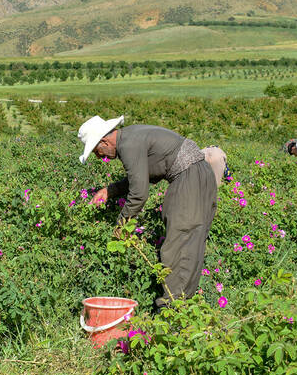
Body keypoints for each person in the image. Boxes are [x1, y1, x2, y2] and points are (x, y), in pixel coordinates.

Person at [78, 116, 217, 309]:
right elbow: (140, 178)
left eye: (97, 151)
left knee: (178, 248)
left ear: (104, 141)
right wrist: (110, 190)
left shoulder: (128, 145)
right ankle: (186, 309)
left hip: (188, 179)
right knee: (191, 246)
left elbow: (138, 193)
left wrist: (121, 227)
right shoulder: (132, 136)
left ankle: (172, 312)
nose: (99, 157)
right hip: (200, 175)